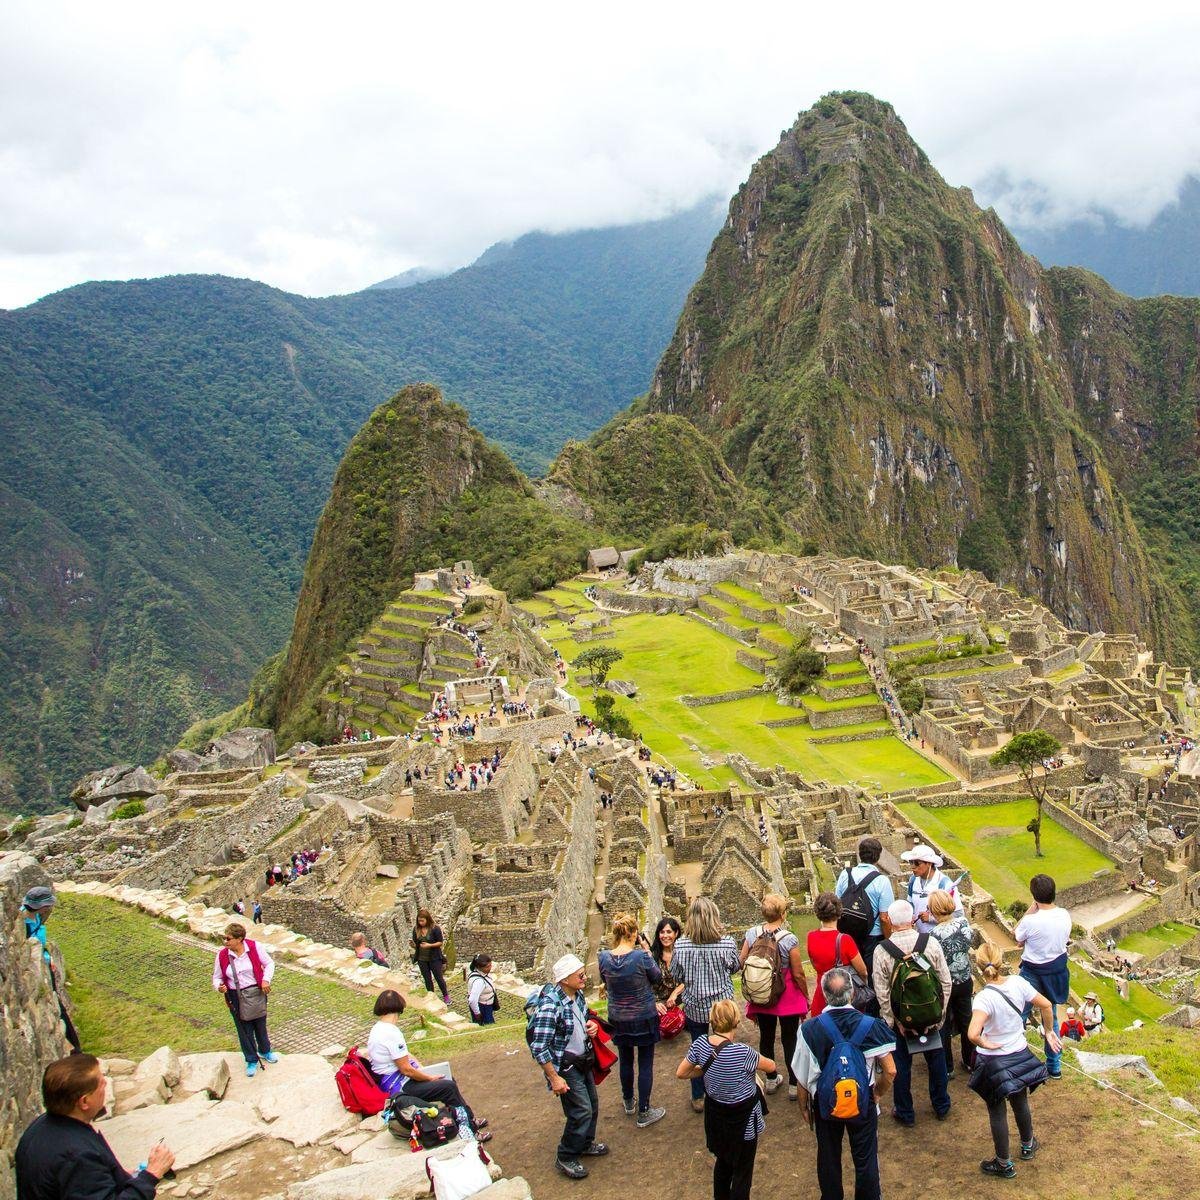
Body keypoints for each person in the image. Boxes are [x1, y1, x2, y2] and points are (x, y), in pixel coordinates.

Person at [792, 968, 897, 1200]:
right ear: (851, 994)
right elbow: (890, 1070)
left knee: (828, 1158)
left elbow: (802, 1075)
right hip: (863, 1099)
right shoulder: (870, 1025)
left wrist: (804, 1107)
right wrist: (876, 1094)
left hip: (826, 1102)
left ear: (824, 994)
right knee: (866, 1158)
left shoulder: (809, 1029)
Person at [16, 1054, 176, 1200]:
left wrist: (117, 1175)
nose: (106, 1082)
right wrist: (152, 1174)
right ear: (84, 1102)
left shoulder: (41, 1126)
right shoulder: (78, 1157)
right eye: (100, 1082)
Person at [968, 942, 1059, 1178]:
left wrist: (985, 1043)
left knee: (997, 1110)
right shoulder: (1018, 983)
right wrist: (1049, 1031)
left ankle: (1003, 1163)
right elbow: (1046, 1005)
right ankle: (1028, 1145)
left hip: (994, 1061)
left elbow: (972, 1033)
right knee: (1020, 1101)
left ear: (979, 966)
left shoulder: (983, 999)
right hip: (1018, 1052)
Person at [677, 998, 773, 1200]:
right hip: (744, 1118)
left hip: (716, 1115)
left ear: (712, 1021)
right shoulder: (743, 1052)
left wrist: (703, 1070)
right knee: (742, 1171)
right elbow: (771, 1066)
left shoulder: (700, 1045)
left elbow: (682, 1072)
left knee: (722, 1163)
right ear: (736, 1022)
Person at [365, 990, 490, 1140]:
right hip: (400, 1088)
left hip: (394, 1081)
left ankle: (468, 1119)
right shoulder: (391, 1033)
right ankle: (469, 1130)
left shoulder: (378, 1028)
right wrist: (429, 1078)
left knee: (448, 1078)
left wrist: (423, 1070)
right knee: (447, 1087)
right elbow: (406, 1070)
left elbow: (404, 1057)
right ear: (399, 1007)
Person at [527, 953, 608, 1182]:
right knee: (580, 1110)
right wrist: (554, 1078)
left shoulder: (577, 995)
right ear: (565, 979)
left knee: (592, 1104)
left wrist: (590, 1025)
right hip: (566, 1066)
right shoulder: (550, 1005)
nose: (584, 977)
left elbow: (583, 1019)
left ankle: (584, 1143)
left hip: (583, 1060)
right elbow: (539, 1046)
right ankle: (566, 1155)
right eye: (579, 974)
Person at [871, 899, 951, 1126]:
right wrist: (939, 1015)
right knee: (936, 1060)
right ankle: (941, 1105)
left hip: (901, 1019)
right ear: (912, 919)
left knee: (902, 1065)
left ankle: (905, 1112)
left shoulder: (882, 951)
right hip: (931, 1015)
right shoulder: (930, 943)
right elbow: (945, 982)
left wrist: (892, 1021)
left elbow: (882, 991)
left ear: (890, 922)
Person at [672, 897, 742, 1112]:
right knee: (725, 1047)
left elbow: (676, 974)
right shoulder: (726, 942)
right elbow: (734, 968)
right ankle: (727, 1085)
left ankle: (698, 1095)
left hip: (695, 1005)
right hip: (722, 1005)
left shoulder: (681, 945)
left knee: (698, 1048)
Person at [599, 913, 666, 1127]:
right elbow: (657, 977)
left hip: (618, 1016)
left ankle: (628, 1101)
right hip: (643, 1015)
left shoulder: (604, 958)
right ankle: (644, 1111)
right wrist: (646, 949)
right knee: (645, 1062)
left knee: (626, 1060)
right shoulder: (640, 957)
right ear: (633, 934)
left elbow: (606, 981)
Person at [739, 894, 809, 1099]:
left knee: (766, 1037)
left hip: (762, 992)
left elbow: (742, 960)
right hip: (785, 994)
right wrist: (806, 995)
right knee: (790, 1039)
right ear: (783, 913)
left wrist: (757, 978)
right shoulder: (788, 939)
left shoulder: (752, 934)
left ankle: (771, 1078)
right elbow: (798, 972)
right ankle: (794, 1084)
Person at [1015, 873, 1072, 1080]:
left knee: (1019, 1014)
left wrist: (1031, 910)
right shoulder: (1064, 914)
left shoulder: (1031, 921)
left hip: (1032, 971)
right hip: (1056, 971)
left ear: (1034, 896)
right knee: (1052, 1017)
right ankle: (1054, 1066)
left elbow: (1017, 939)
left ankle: (1014, 1058)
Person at [212, 921, 278, 1077]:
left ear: (239, 938)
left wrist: (266, 979)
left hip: (256, 991)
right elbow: (216, 977)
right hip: (235, 996)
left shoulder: (254, 948)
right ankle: (251, 1059)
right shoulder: (222, 955)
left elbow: (269, 963)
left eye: (228, 939)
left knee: (260, 1023)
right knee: (244, 1028)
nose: (225, 942)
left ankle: (265, 1050)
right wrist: (219, 987)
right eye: (224, 938)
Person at [21, 884, 81, 1052]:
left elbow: (40, 943)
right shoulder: (24, 923)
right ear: (43, 906)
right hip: (41, 970)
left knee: (59, 1005)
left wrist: (49, 957)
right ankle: (76, 1050)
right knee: (59, 1007)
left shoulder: (35, 917)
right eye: (49, 905)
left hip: (46, 964)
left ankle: (75, 1047)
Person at [926, 889, 975, 1078]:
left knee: (944, 1025)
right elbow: (967, 945)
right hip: (964, 980)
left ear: (933, 910)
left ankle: (947, 1067)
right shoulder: (963, 924)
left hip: (944, 985)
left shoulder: (933, 935)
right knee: (966, 1020)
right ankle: (970, 1060)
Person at [834, 837, 895, 970]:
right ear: (877, 857)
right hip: (872, 936)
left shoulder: (846, 874)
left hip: (848, 933)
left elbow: (837, 904)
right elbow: (884, 918)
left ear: (860, 854)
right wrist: (890, 941)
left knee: (850, 972)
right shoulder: (882, 881)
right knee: (872, 973)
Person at [807, 892, 869, 1019]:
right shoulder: (845, 940)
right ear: (839, 913)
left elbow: (815, 964)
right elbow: (863, 971)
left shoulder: (811, 937)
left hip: (822, 995)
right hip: (844, 998)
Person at [900, 844, 962, 933]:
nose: (912, 866)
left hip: (940, 938)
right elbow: (910, 903)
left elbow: (958, 914)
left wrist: (931, 918)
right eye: (911, 862)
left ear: (929, 863)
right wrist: (910, 916)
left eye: (917, 863)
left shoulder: (944, 883)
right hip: (921, 937)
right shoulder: (913, 880)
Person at [412, 909, 451, 1003]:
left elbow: (440, 942)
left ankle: (446, 996)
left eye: (422, 920)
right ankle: (432, 997)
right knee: (427, 979)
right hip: (422, 959)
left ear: (427, 919)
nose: (420, 923)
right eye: (419, 920)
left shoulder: (435, 928)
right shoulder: (416, 930)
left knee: (439, 978)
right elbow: (417, 943)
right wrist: (413, 945)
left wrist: (429, 945)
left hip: (434, 958)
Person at [649, 916, 685, 1016]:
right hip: (659, 1005)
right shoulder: (652, 955)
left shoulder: (683, 953)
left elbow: (690, 979)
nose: (665, 936)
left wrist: (675, 993)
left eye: (669, 932)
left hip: (680, 1001)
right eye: (662, 932)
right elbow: (644, 985)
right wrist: (654, 1004)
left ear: (676, 933)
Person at [467, 954, 499, 1025]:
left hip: (486, 1006)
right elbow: (472, 1000)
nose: (490, 968)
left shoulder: (478, 973)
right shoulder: (479, 981)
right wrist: (477, 1014)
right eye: (487, 967)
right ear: (479, 967)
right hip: (483, 1008)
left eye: (490, 965)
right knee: (488, 1025)